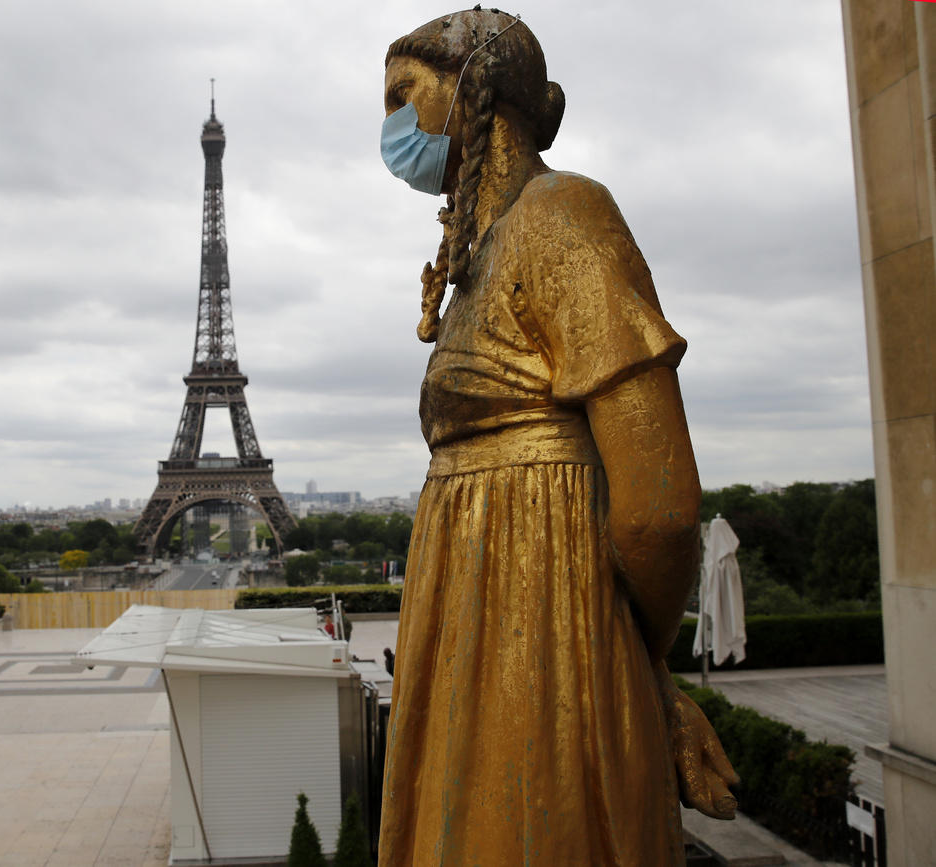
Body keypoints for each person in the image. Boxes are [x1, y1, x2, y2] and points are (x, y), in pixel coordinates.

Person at [378, 10, 737, 864]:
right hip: (492, 612)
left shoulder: (563, 213)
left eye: (402, 94)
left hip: (541, 622)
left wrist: (637, 666)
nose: (390, 126)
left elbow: (657, 509)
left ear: (472, 92)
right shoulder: (483, 254)